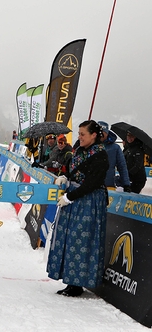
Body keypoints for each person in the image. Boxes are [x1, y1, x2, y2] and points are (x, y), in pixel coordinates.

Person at [49, 120, 109, 297]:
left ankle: (77, 283)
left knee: (80, 241)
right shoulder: (80, 149)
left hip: (87, 202)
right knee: (69, 238)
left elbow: (92, 183)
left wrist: (69, 197)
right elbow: (75, 170)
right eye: (79, 134)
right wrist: (65, 178)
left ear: (93, 135)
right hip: (76, 199)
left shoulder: (100, 155)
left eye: (83, 134)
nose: (79, 137)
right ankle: (70, 280)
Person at [97, 121, 130, 191]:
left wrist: (126, 184)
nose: (100, 134)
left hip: (108, 185)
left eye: (103, 132)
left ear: (107, 133)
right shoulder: (89, 146)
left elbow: (122, 166)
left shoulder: (115, 148)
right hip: (90, 186)